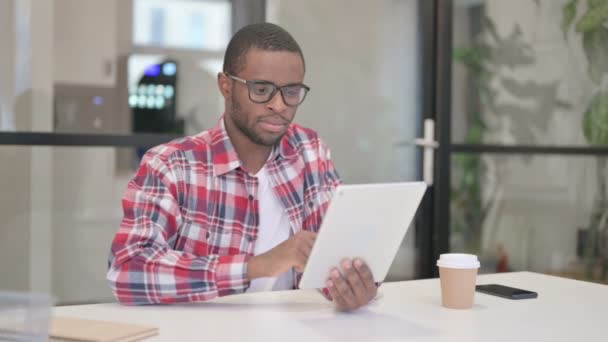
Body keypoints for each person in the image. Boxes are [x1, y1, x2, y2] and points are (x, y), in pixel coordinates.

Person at [107, 22, 377, 311]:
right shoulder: (171, 165)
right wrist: (257, 266)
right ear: (226, 86)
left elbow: (335, 256)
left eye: (292, 91)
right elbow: (127, 271)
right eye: (261, 90)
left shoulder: (309, 151)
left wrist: (353, 285)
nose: (279, 105)